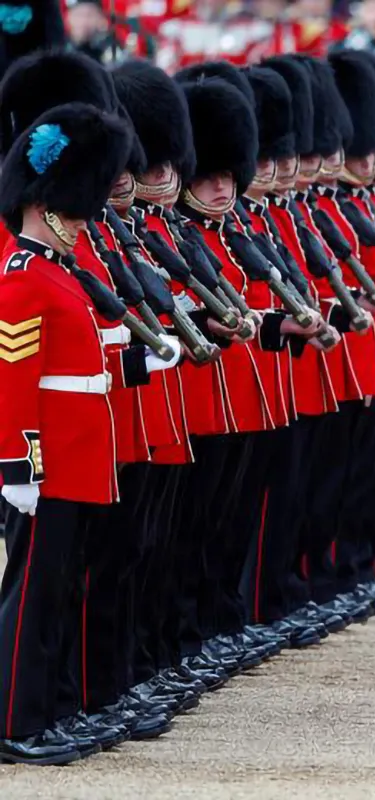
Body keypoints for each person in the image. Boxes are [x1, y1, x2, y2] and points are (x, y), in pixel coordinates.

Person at [0, 102, 181, 765]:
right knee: (32, 596)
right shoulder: (23, 279)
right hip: (48, 463)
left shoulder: (60, 274)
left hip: (81, 457)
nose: (85, 219)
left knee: (63, 590)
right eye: (76, 205)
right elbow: (15, 382)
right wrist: (18, 466)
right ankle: (16, 720)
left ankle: (52, 709)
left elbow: (84, 368)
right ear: (48, 203)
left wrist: (139, 361)